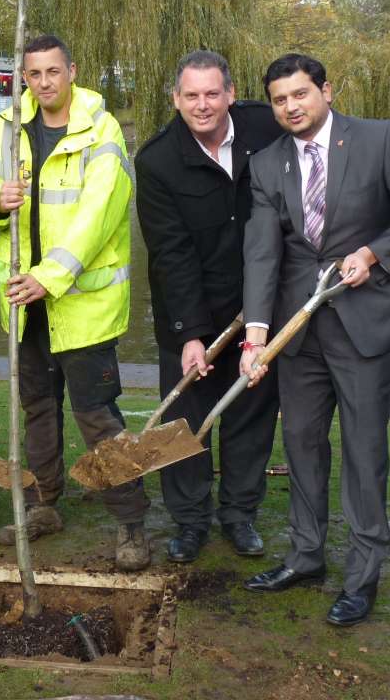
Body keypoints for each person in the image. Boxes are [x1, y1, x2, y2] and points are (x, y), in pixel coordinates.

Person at [239, 53, 390, 626]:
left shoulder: (378, 140)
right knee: (302, 444)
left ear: (326, 91)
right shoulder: (266, 164)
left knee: (363, 451)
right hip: (297, 330)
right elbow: (262, 251)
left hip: (366, 325)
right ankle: (305, 556)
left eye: (300, 94)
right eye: (280, 99)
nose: (290, 107)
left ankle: (363, 576)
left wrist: (374, 253)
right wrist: (257, 333)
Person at [0, 34, 150, 571]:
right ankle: (45, 505)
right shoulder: (7, 128)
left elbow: (99, 215)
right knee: (37, 410)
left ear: (72, 71)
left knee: (99, 418)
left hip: (82, 307)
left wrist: (50, 276)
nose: (43, 83)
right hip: (26, 305)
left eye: (53, 72)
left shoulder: (101, 130)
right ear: (25, 77)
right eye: (34, 74)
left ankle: (131, 522)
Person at [134, 50, 283, 563]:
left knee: (250, 415)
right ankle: (190, 522)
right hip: (189, 307)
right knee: (184, 424)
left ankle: (240, 515)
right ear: (176, 99)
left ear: (231, 94)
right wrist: (190, 333)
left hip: (260, 308)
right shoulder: (156, 161)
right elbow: (170, 254)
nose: (203, 105)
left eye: (212, 93)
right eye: (191, 95)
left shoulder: (266, 129)